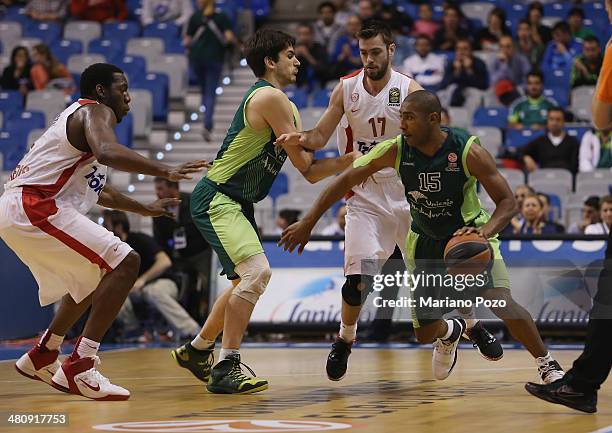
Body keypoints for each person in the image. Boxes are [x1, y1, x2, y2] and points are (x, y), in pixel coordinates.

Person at [279, 90, 565, 384]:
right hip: (425, 240)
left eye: (409, 118)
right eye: (401, 117)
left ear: (433, 119)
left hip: (468, 235)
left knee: (500, 300)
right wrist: (309, 220)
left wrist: (485, 232)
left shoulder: (466, 150)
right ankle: (451, 332)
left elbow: (508, 202)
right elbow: (346, 179)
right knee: (424, 332)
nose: (401, 124)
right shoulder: (395, 149)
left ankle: (548, 365)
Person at [275, 22, 501, 382]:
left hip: (410, 192)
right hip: (365, 195)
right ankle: (345, 339)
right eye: (363, 52)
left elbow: (437, 136)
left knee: (447, 266)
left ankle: (470, 326)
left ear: (391, 50)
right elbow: (319, 136)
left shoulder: (409, 88)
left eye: (376, 52)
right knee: (357, 280)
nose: (369, 59)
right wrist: (297, 138)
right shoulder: (346, 89)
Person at [0, 63, 208, 400]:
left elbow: (103, 192)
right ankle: (80, 365)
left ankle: (43, 354)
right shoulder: (95, 112)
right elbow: (109, 152)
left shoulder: (81, 128)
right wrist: (165, 168)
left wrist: (145, 208)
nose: (128, 97)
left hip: (23, 207)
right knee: (126, 262)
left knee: (89, 280)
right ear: (100, 91)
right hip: (34, 204)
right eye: (122, 88)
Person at [170, 29, 360, 394]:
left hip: (236, 200)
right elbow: (309, 162)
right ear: (270, 61)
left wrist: (347, 163)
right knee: (258, 273)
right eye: (290, 54)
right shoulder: (269, 97)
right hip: (218, 196)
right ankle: (227, 364)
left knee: (246, 281)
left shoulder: (285, 105)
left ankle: (197, 350)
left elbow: (308, 170)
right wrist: (347, 159)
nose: (298, 60)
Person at [105, 210, 201, 339]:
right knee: (112, 296)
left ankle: (192, 331)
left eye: (107, 226)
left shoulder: (140, 239)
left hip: (164, 283)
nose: (104, 229)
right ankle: (135, 331)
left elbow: (165, 261)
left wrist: (143, 280)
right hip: (135, 290)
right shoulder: (113, 250)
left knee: (153, 291)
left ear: (119, 227)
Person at [152, 177, 211, 319]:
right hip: (179, 257)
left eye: (160, 188)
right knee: (184, 287)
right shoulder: (157, 210)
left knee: (207, 284)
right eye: (156, 189)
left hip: (201, 253)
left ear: (173, 187)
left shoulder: (192, 201)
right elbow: (159, 239)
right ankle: (190, 319)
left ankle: (209, 318)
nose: (157, 193)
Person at [184, 0, 239, 141]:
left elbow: (187, 41)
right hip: (215, 58)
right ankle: (207, 124)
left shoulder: (195, 17)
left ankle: (206, 119)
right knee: (210, 92)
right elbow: (228, 37)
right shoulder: (221, 17)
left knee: (204, 91)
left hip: (197, 59)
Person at [522, 108, 579, 174]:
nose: (554, 123)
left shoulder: (572, 142)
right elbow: (519, 152)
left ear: (563, 122)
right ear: (547, 121)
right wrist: (526, 157)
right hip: (543, 178)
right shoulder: (540, 141)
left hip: (565, 179)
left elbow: (575, 167)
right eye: (551, 119)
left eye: (558, 120)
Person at [439, 37, 489, 107]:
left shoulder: (479, 63)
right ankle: (446, 116)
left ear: (471, 50)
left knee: (475, 94)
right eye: (458, 49)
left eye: (465, 49)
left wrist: (469, 70)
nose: (461, 52)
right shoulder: (452, 63)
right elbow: (444, 85)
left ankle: (471, 117)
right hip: (454, 90)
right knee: (442, 94)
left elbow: (482, 85)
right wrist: (457, 71)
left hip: (472, 91)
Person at [490, 35, 531, 106]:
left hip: (518, 91)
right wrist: (504, 65)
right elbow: (493, 81)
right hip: (499, 92)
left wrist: (518, 88)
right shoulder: (495, 60)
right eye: (502, 47)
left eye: (508, 46)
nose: (504, 50)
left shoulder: (522, 59)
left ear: (514, 48)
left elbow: (528, 79)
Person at [295, 23, 330, 89]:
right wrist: (293, 57)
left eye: (306, 34)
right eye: (300, 34)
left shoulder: (320, 48)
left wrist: (307, 56)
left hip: (318, 83)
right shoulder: (294, 49)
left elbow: (324, 70)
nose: (303, 37)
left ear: (312, 34)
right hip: (299, 84)